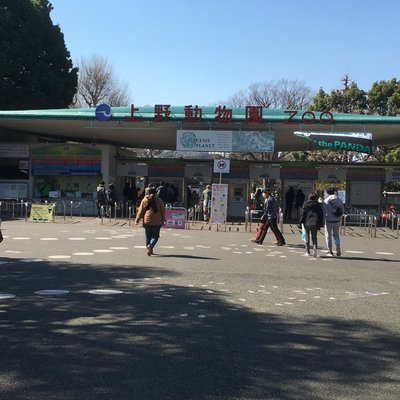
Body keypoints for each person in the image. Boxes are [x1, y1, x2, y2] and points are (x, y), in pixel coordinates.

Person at [135, 186, 166, 256]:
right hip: (157, 221)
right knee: (155, 236)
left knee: (147, 236)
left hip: (147, 220)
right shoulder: (159, 200)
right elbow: (162, 211)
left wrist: (137, 219)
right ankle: (151, 246)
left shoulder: (145, 199)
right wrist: (163, 219)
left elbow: (141, 210)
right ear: (156, 192)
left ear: (148, 192)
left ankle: (148, 249)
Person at [299, 191, 324, 257]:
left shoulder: (305, 204)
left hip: (306, 222)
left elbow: (302, 214)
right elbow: (320, 214)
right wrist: (320, 224)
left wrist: (300, 222)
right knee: (314, 237)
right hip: (315, 222)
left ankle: (307, 251)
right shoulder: (317, 204)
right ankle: (315, 248)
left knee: (307, 237)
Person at [323, 187, 344, 257]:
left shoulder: (326, 200)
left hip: (328, 220)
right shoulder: (339, 199)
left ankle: (330, 251)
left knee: (328, 236)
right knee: (336, 235)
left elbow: (324, 211)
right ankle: (338, 246)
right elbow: (342, 210)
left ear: (327, 193)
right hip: (337, 220)